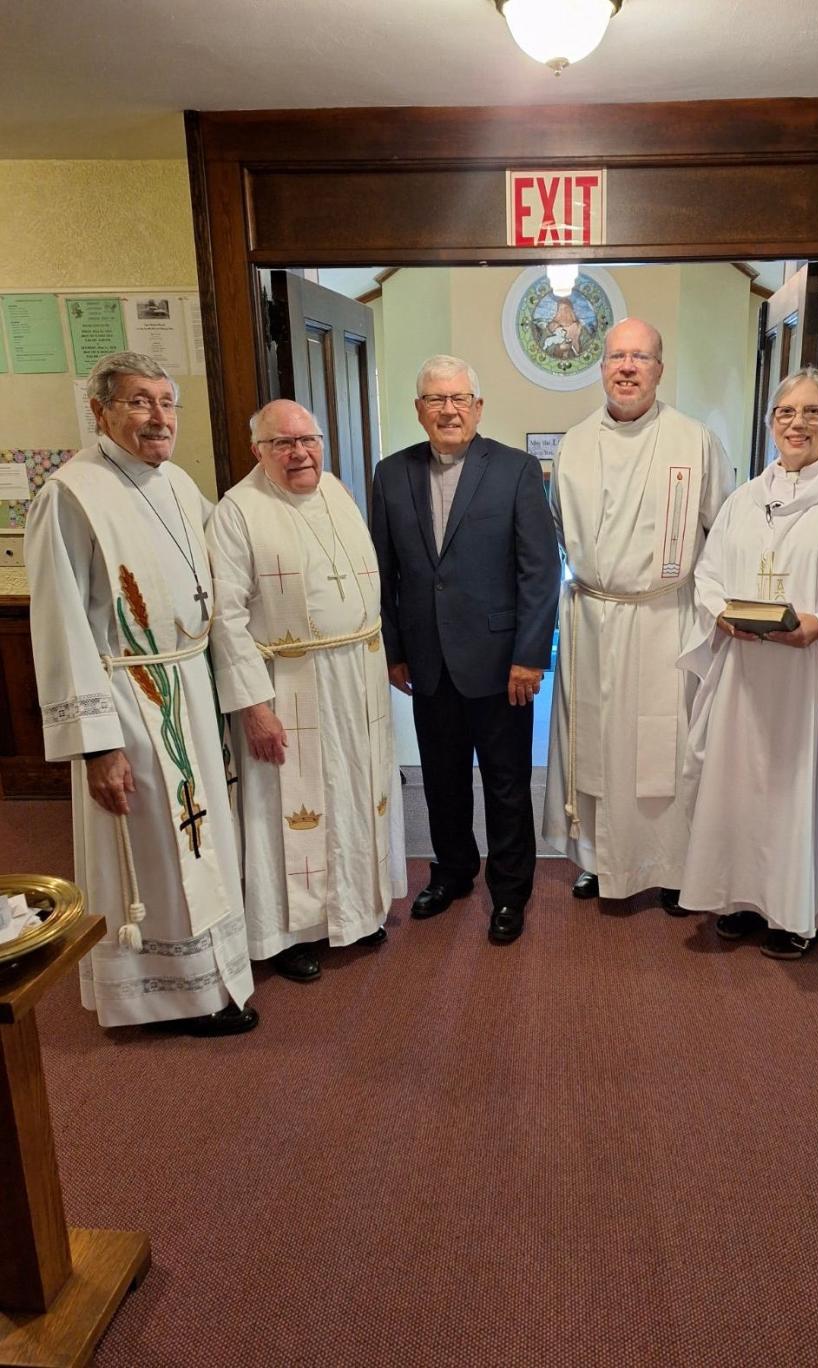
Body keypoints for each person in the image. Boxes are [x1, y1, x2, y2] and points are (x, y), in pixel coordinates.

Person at [25, 352, 257, 1035]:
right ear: (98, 412)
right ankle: (164, 996)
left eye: (166, 401)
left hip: (188, 681)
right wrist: (97, 746)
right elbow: (63, 627)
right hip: (130, 699)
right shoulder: (69, 495)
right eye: (138, 402)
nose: (159, 418)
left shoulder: (180, 485)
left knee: (202, 837)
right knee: (158, 846)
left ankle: (215, 973)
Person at [677, 366, 818, 958]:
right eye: (786, 412)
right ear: (770, 422)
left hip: (816, 677)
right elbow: (708, 575)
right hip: (746, 676)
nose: (797, 423)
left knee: (799, 792)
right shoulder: (745, 499)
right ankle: (740, 899)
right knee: (741, 789)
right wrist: (720, 613)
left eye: (813, 412)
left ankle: (796, 913)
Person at [206, 399, 406, 982]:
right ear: (258, 451)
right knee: (289, 805)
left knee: (356, 787)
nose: (299, 453)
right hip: (288, 682)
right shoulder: (238, 512)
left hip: (356, 677)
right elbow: (226, 616)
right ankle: (288, 933)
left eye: (308, 440)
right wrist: (253, 706)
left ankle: (356, 911)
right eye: (283, 443)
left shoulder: (336, 492)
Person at [543, 318, 735, 906]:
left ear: (660, 368)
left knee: (664, 747)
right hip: (594, 620)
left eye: (640, 357)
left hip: (664, 619)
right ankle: (600, 862)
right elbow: (556, 527)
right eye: (616, 357)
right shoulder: (573, 444)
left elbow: (723, 531)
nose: (627, 367)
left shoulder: (694, 441)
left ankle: (672, 868)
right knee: (595, 745)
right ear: (601, 367)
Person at [371, 355, 560, 945]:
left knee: (505, 782)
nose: (448, 409)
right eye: (435, 399)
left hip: (502, 660)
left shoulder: (516, 470)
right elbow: (385, 570)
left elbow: (540, 570)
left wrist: (530, 656)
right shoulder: (391, 473)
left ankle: (510, 891)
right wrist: (393, 649)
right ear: (418, 410)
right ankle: (451, 872)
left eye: (459, 399)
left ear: (478, 406)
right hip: (427, 659)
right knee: (441, 777)